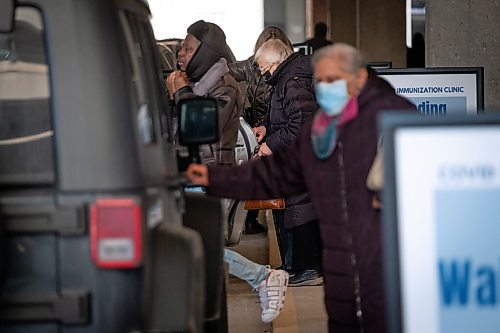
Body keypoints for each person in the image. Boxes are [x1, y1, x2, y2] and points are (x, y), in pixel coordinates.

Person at [186, 43, 416, 332]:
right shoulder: (322, 129)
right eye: (320, 80)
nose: (323, 87)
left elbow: (419, 180)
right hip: (340, 268)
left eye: (333, 80)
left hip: (387, 263)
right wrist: (213, 178)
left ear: (358, 78)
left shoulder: (393, 117)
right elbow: (274, 174)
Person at [166, 20, 288, 323]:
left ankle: (262, 276)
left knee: (202, 247)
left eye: (188, 48)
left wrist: (180, 94)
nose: (180, 54)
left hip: (211, 174)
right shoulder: (195, 82)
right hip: (192, 174)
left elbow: (202, 127)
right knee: (202, 252)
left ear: (205, 52)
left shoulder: (224, 86)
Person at [251, 38, 323, 286]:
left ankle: (309, 268)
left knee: (301, 209)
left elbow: (302, 121)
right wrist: (266, 127)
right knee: (295, 209)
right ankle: (296, 265)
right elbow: (290, 116)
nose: (262, 74)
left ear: (277, 62)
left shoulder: (293, 81)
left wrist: (271, 144)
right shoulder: (291, 76)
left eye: (263, 68)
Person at [228, 26, 294, 234]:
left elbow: (229, 71)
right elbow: (228, 70)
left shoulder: (257, 65)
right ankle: (254, 216)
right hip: (264, 127)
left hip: (274, 127)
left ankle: (258, 216)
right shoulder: (254, 63)